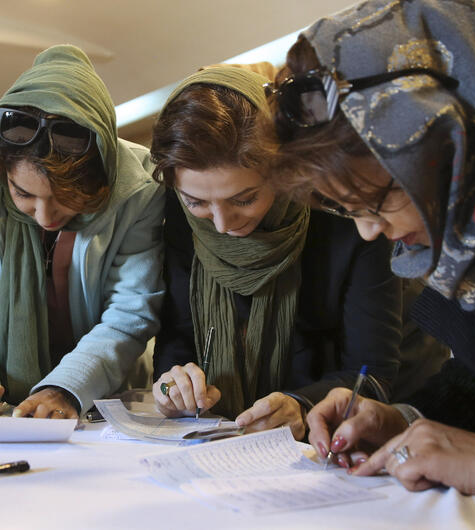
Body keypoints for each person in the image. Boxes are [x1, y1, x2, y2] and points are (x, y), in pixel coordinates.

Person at [271, 0, 475, 504]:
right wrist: (404, 420)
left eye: (382, 198)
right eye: (352, 211)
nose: (370, 232)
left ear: (446, 131)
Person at [149, 66, 446, 438]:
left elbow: (374, 373)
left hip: (385, 422)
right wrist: (171, 387)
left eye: (244, 198)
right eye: (197, 202)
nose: (222, 224)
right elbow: (178, 336)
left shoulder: (342, 216)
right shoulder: (181, 218)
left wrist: (300, 403)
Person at [0, 44, 164, 419]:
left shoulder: (139, 192)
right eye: (23, 193)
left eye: (66, 198)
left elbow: (130, 311)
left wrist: (66, 388)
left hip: (108, 400)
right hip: (5, 405)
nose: (44, 216)